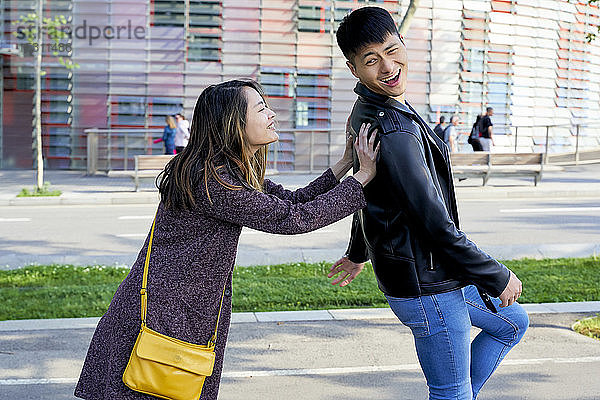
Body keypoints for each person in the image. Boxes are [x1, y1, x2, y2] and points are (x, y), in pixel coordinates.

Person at [74, 79, 379, 400]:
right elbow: (294, 219)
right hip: (161, 322)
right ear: (233, 122)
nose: (272, 115)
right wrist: (362, 178)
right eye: (262, 108)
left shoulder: (222, 170)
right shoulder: (214, 180)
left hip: (173, 314)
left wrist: (346, 162)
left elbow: (293, 201)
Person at [330, 7, 528, 400]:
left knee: (511, 323)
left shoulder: (376, 109)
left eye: (392, 50)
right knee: (450, 390)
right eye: (371, 61)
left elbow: (367, 191)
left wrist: (356, 252)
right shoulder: (393, 127)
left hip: (435, 270)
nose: (388, 66)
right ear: (354, 69)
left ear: (402, 43)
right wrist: (496, 274)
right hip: (428, 286)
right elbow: (434, 223)